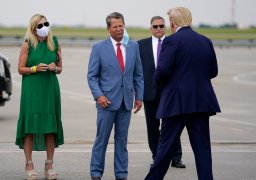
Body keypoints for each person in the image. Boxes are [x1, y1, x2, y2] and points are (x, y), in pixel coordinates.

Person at [144, 7, 221, 180]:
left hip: (176, 103)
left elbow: (162, 71)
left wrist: (161, 84)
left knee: (164, 149)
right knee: (202, 149)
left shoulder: (172, 41)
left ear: (172, 22)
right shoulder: (205, 40)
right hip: (201, 102)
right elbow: (213, 71)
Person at [87, 12, 144, 180]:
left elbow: (138, 75)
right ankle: (96, 173)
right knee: (101, 140)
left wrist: (139, 97)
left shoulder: (133, 46)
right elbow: (91, 76)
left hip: (126, 102)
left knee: (122, 141)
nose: (119, 29)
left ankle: (121, 174)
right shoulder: (98, 48)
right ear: (108, 28)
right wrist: (99, 96)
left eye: (121, 25)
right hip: (106, 102)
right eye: (115, 26)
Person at [15, 14, 64, 180]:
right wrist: (35, 68)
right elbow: (20, 69)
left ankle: (49, 165)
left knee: (50, 127)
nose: (44, 27)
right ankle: (29, 164)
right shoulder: (27, 44)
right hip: (32, 90)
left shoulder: (54, 42)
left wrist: (54, 68)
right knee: (30, 127)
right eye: (40, 25)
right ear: (33, 28)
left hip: (50, 88)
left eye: (46, 23)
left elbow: (60, 68)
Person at [138, 16, 185, 168]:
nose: (158, 29)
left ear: (166, 27)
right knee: (152, 127)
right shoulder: (141, 45)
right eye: (155, 26)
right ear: (150, 28)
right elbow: (137, 70)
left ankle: (176, 157)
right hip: (150, 92)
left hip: (170, 92)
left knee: (172, 124)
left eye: (161, 26)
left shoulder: (174, 42)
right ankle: (157, 156)